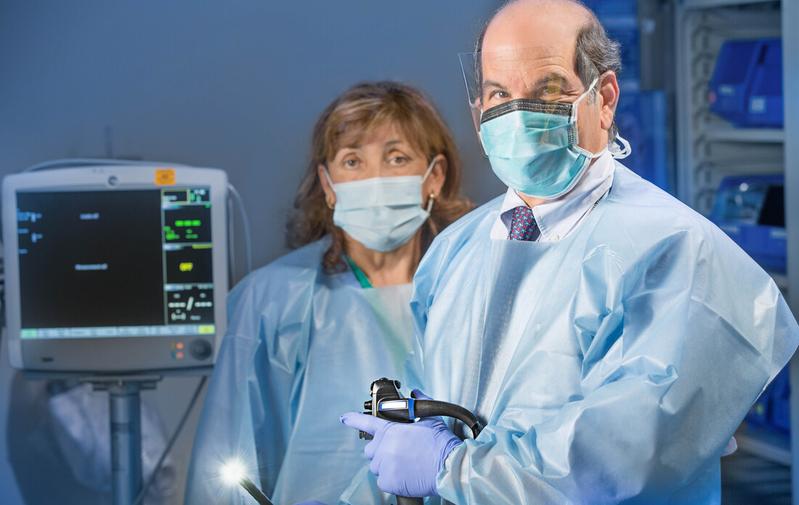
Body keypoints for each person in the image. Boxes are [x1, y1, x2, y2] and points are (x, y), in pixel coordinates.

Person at [340, 1, 799, 504]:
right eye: (499, 94)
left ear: (604, 99)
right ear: (479, 113)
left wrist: (454, 467)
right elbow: (430, 414)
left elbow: (622, 458)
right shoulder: (455, 251)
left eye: (549, 90)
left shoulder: (676, 251)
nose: (517, 114)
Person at [185, 81, 472, 505]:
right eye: (352, 161)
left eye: (397, 158)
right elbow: (227, 473)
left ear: (435, 177)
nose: (375, 179)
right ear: (328, 183)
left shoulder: (468, 287)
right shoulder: (273, 301)